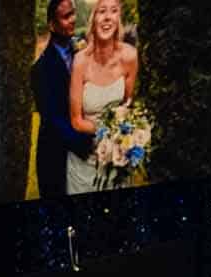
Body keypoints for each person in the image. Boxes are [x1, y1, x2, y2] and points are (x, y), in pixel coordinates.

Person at [66, 0, 137, 195]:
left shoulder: (130, 56)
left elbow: (128, 103)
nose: (107, 17)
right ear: (93, 19)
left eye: (113, 11)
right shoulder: (80, 61)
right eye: (101, 11)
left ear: (119, 18)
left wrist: (125, 138)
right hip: (84, 161)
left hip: (117, 161)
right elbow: (76, 121)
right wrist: (110, 130)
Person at [30, 0, 92, 199]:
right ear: (52, 25)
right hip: (56, 159)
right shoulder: (41, 69)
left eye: (73, 13)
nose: (73, 20)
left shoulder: (82, 53)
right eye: (66, 16)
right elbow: (52, 119)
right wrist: (89, 146)